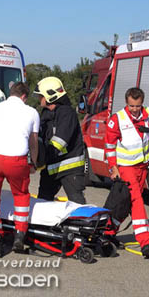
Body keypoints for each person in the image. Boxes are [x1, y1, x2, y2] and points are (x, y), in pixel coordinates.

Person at [105, 87, 149, 259]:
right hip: (125, 167)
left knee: (126, 203)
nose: (134, 109)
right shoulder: (117, 119)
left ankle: (107, 232)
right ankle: (146, 243)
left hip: (142, 167)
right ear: (126, 103)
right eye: (131, 106)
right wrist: (113, 167)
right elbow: (109, 147)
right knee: (137, 202)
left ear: (142, 103)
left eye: (137, 106)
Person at [0, 82, 39, 257]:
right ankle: (19, 236)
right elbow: (33, 142)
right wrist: (33, 163)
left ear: (10, 93)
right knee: (21, 196)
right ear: (24, 97)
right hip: (17, 160)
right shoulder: (32, 112)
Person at [34, 76, 86, 204]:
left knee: (76, 204)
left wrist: (44, 156)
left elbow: (60, 140)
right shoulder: (45, 114)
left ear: (50, 96)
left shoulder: (67, 114)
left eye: (40, 95)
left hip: (69, 168)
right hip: (51, 167)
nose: (39, 98)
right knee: (42, 203)